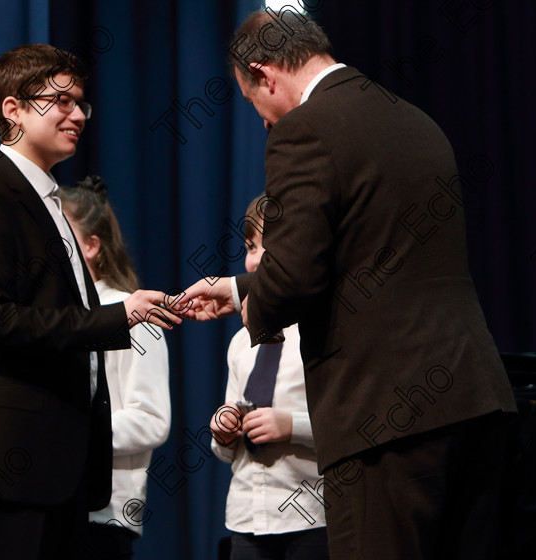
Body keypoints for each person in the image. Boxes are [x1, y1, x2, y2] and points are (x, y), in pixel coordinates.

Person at [181, 11, 517, 560]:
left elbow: (293, 277)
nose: (264, 122)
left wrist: (256, 304)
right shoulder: (414, 120)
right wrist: (241, 288)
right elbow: (372, 259)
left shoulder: (305, 129)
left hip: (385, 417)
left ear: (264, 74)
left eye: (252, 103)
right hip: (472, 400)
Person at [0, 43, 178, 560]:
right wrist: (115, 317)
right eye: (60, 100)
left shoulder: (52, 203)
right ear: (12, 110)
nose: (77, 114)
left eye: (82, 102)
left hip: (55, 473)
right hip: (4, 468)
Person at [208, 194, 328, 560]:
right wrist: (223, 430)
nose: (256, 258)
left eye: (269, 246)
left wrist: (290, 425)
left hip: (311, 517)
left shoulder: (323, 333)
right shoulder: (241, 341)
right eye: (250, 246)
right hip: (247, 516)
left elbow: (355, 427)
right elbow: (226, 452)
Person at [60, 175, 171, 559]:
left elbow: (151, 419)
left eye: (60, 233)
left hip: (106, 513)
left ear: (92, 246)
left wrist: (70, 434)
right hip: (52, 501)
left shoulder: (133, 312)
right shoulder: (53, 318)